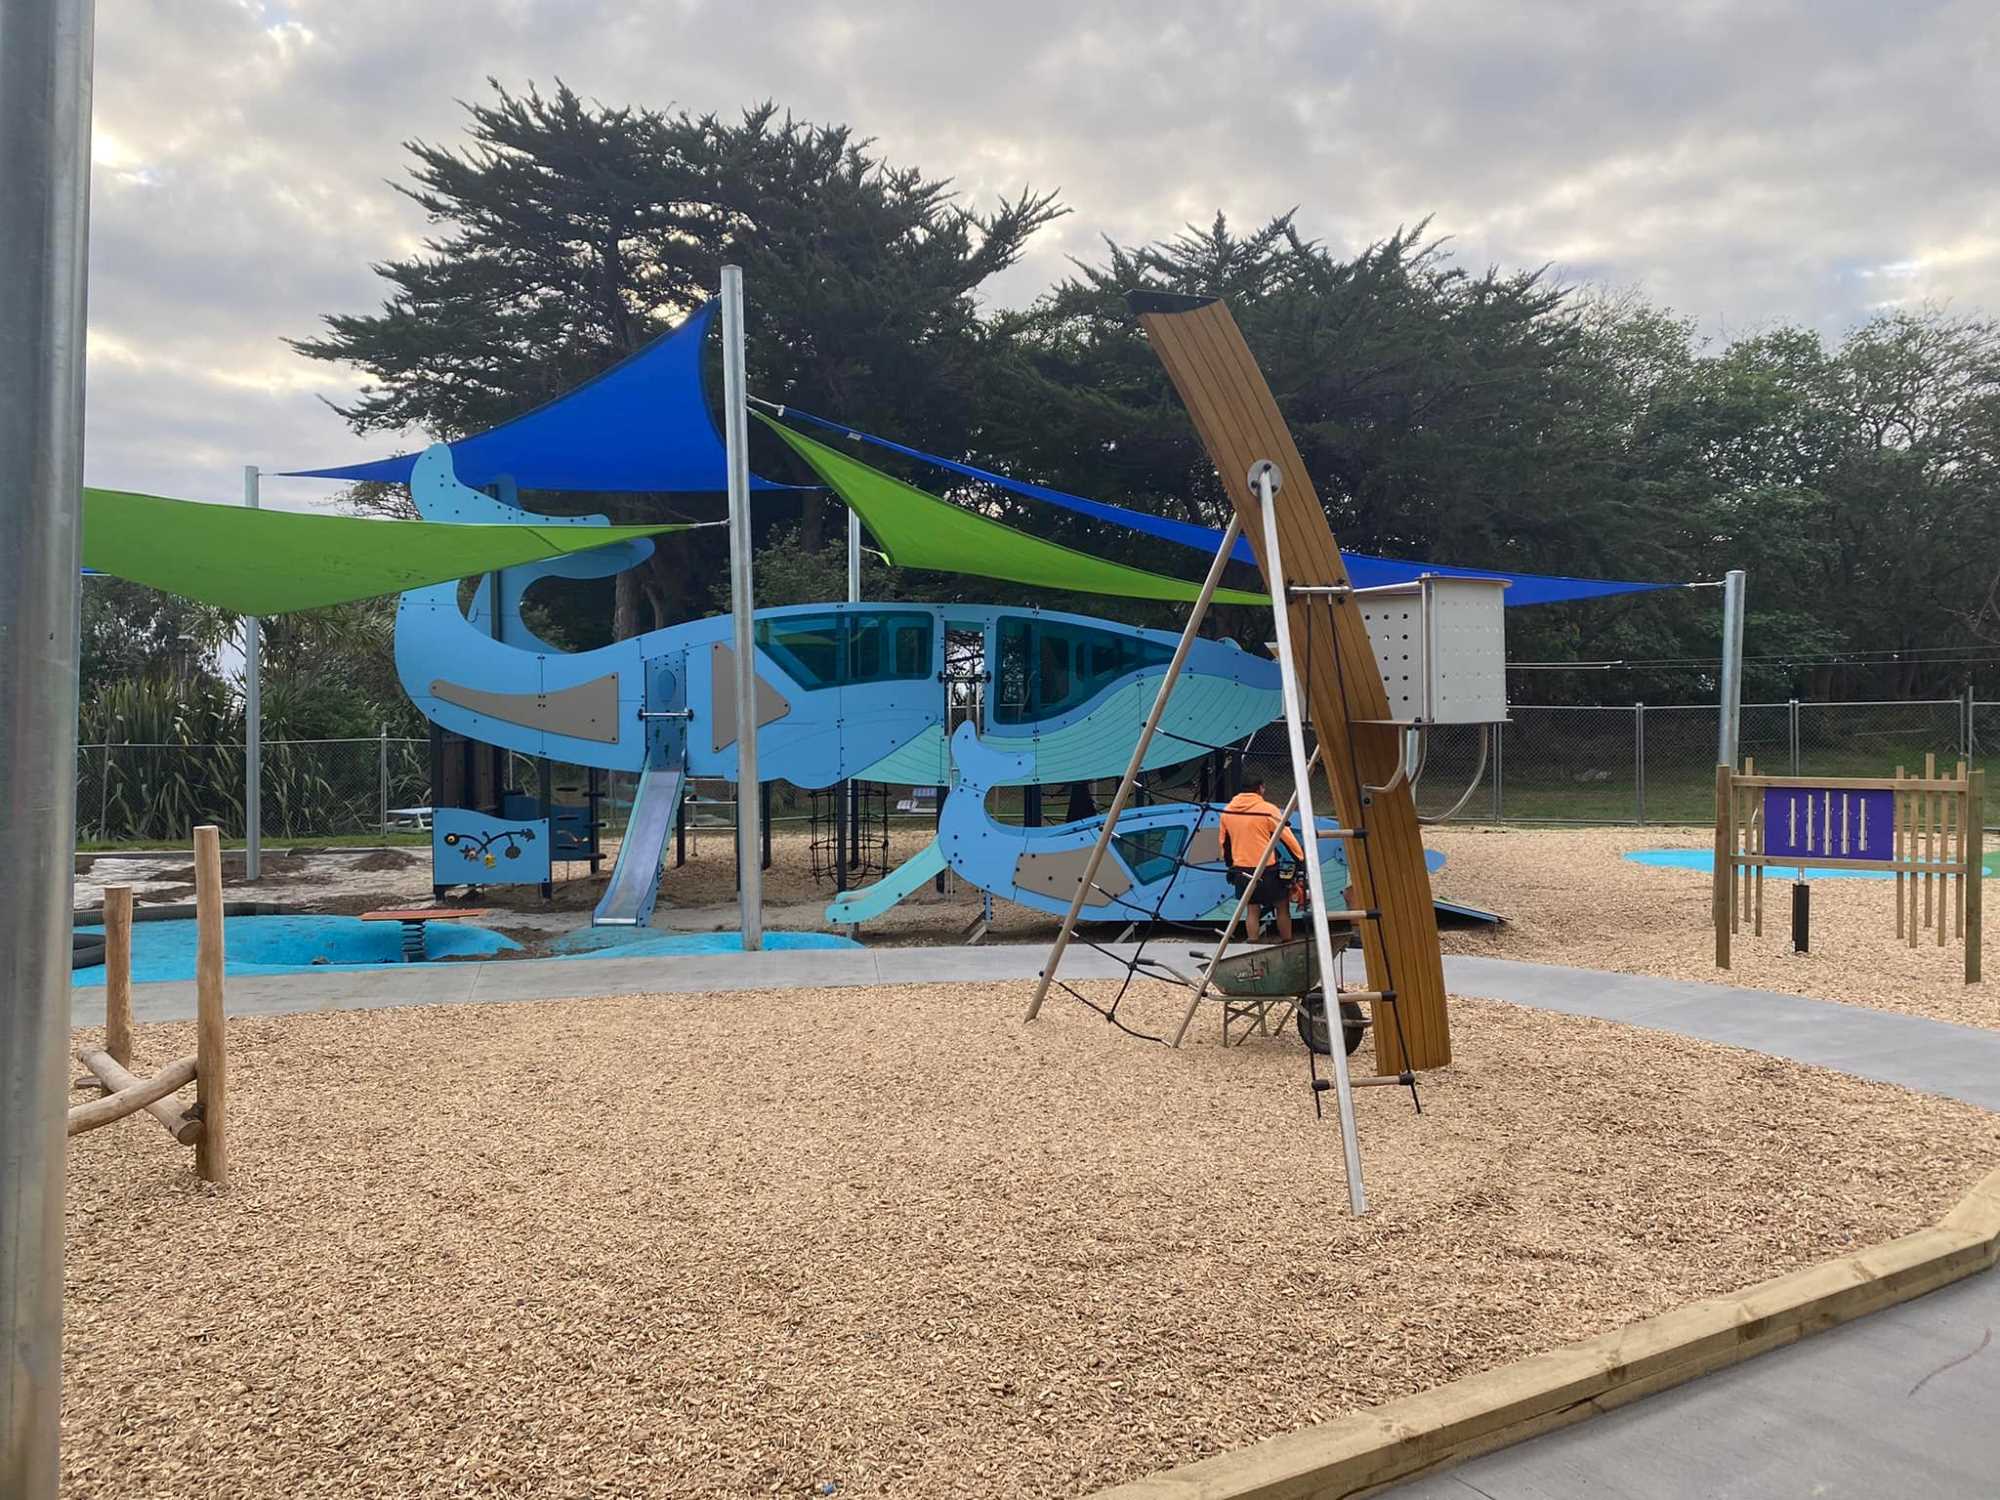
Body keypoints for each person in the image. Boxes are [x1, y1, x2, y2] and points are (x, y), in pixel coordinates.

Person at [1218, 774, 1305, 943]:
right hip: (1267, 869)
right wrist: (1300, 859)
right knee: (1282, 905)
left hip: (1242, 869)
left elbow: (1224, 843)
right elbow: (1286, 836)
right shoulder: (1267, 809)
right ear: (1260, 788)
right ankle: (1287, 940)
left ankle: (1253, 943)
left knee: (1252, 909)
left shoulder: (1227, 811)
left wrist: (1231, 866)